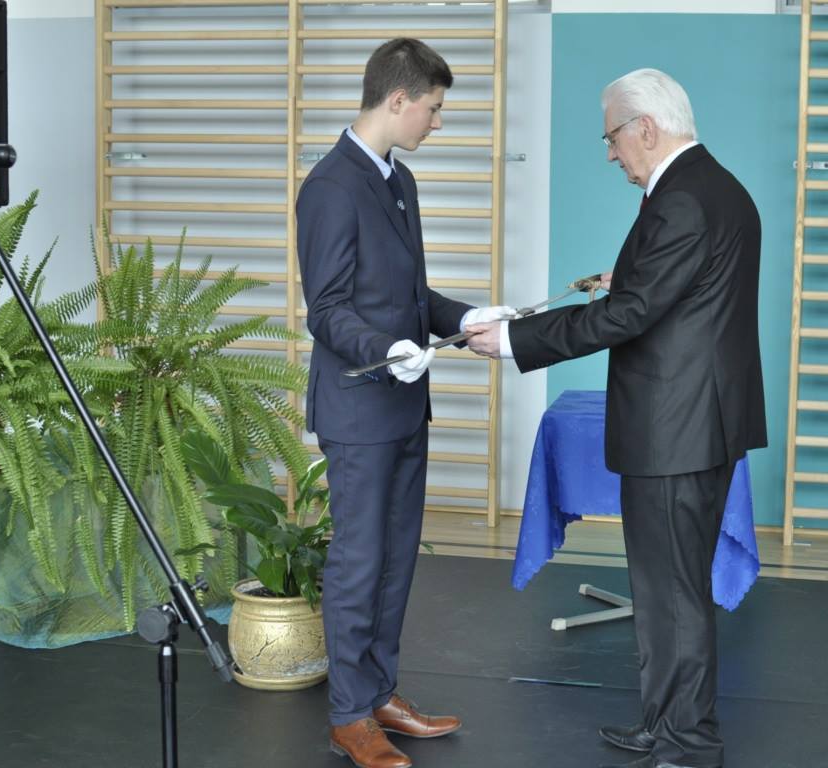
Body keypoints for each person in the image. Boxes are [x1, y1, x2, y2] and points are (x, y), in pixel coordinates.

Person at [465, 68, 766, 768]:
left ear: (646, 129)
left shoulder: (681, 199)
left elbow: (632, 315)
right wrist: (626, 278)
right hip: (699, 423)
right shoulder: (715, 187)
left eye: (612, 138)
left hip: (677, 431)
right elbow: (680, 292)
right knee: (666, 592)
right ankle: (666, 725)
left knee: (674, 595)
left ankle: (688, 744)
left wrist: (513, 339)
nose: (610, 154)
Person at [296, 38, 513, 768]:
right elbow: (327, 310)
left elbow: (410, 296)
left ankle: (379, 691)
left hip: (404, 405)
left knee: (395, 561)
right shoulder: (331, 186)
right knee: (359, 563)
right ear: (398, 100)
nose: (437, 122)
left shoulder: (399, 179)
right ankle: (348, 715)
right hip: (360, 408)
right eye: (434, 108)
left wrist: (465, 317)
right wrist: (385, 350)